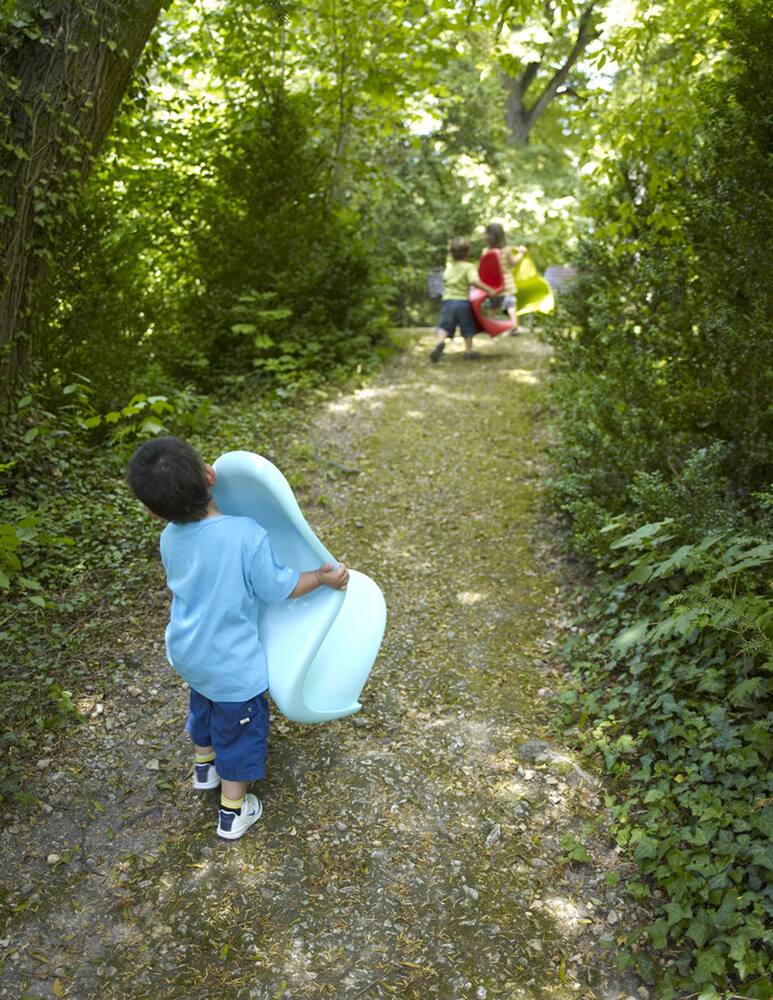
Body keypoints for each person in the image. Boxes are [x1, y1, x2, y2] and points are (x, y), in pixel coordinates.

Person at [126, 436, 349, 841]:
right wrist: (320, 577)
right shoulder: (246, 534)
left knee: (204, 703)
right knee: (240, 729)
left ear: (155, 511)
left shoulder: (169, 538)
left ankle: (203, 767)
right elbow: (277, 589)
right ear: (210, 476)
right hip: (231, 663)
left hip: (188, 651)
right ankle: (233, 811)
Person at [430, 235, 498, 362]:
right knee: (467, 327)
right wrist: (489, 289)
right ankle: (468, 351)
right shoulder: (468, 267)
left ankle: (440, 342)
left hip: (448, 301)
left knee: (444, 326)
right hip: (462, 302)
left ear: (451, 253)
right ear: (468, 252)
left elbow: (444, 280)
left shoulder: (449, 266)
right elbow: (474, 281)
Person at [483, 222, 528, 335]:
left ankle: (491, 327)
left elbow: (483, 268)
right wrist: (521, 253)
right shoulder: (507, 250)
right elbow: (513, 263)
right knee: (510, 306)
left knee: (492, 307)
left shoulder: (485, 252)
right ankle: (514, 327)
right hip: (507, 285)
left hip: (492, 286)